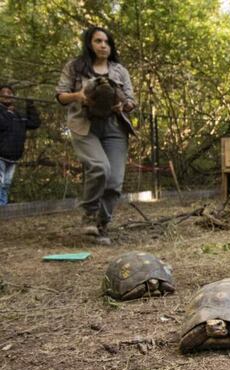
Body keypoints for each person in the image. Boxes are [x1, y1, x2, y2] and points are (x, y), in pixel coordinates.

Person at [56, 26, 136, 244]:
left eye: (107, 42)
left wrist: (124, 105)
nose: (103, 45)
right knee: (100, 167)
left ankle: (100, 225)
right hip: (84, 124)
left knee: (115, 182)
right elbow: (61, 95)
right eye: (98, 41)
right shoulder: (75, 67)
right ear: (89, 44)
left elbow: (131, 100)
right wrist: (78, 96)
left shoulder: (119, 70)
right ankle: (89, 213)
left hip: (114, 126)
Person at [0, 84, 41, 205]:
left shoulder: (18, 115)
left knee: (6, 184)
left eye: (9, 93)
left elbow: (34, 123)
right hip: (0, 155)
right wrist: (6, 112)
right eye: (3, 92)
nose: (7, 94)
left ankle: (2, 209)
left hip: (13, 156)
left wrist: (30, 105)